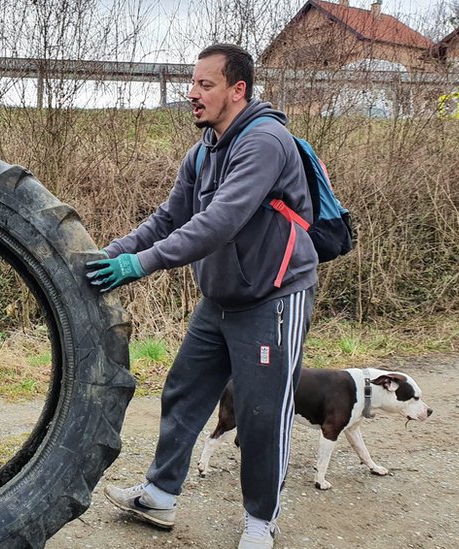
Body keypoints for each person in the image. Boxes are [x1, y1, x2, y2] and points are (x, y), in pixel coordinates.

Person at [86, 43, 317, 549]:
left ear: (239, 90)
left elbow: (219, 222)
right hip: (221, 298)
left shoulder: (265, 143)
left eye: (204, 84)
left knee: (261, 413)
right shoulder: (203, 151)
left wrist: (141, 265)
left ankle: (261, 521)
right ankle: (159, 495)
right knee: (184, 392)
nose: (192, 94)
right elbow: (169, 219)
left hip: (273, 298)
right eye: (192, 83)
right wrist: (114, 253)